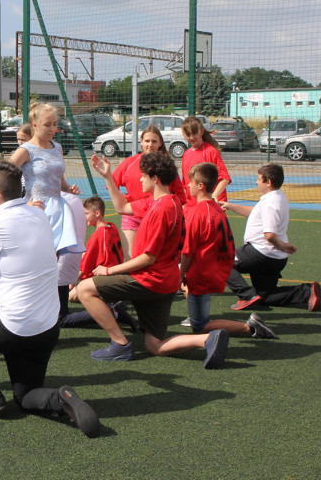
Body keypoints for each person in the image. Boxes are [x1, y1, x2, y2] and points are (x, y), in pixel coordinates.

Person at [0, 162, 100, 437]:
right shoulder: (38, 215)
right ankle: (60, 398)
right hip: (48, 328)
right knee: (26, 397)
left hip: (14, 328)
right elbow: (10, 217)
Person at [79, 152, 230, 368]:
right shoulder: (166, 201)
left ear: (155, 178)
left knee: (84, 289)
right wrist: (108, 177)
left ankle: (120, 344)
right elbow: (122, 207)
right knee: (154, 345)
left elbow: (148, 258)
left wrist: (110, 270)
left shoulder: (161, 209)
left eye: (143, 176)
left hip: (150, 280)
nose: (140, 179)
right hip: (165, 282)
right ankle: (207, 339)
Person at [181, 162, 277, 339]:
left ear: (200, 186)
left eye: (191, 182)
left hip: (201, 271)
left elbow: (188, 250)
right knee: (198, 316)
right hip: (214, 268)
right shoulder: (216, 208)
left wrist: (181, 273)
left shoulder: (198, 212)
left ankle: (249, 327)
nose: (187, 185)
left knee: (199, 326)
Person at [222, 163, 321, 312]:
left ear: (268, 182)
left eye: (259, 179)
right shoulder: (278, 196)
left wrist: (282, 246)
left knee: (221, 261)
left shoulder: (270, 203)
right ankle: (306, 292)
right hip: (274, 258)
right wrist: (230, 205)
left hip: (261, 253)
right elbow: (255, 212)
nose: (256, 182)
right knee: (265, 296)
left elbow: (269, 234)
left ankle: (246, 295)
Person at [9, 101, 81, 255]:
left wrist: (69, 188)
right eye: (47, 125)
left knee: (54, 257)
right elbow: (3, 177)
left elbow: (60, 181)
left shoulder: (57, 148)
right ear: (35, 125)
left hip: (58, 209)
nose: (53, 129)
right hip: (36, 208)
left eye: (55, 124)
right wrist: (21, 204)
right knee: (35, 255)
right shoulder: (26, 150)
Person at [112, 126, 186, 259]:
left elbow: (180, 196)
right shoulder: (130, 163)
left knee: (153, 256)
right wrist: (123, 198)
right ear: (141, 141)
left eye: (154, 141)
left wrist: (166, 207)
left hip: (157, 215)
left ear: (160, 143)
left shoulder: (166, 166)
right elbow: (112, 183)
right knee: (130, 258)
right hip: (132, 214)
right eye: (147, 141)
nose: (150, 145)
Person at [64, 196, 136, 331]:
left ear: (97, 213)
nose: (84, 217)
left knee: (72, 296)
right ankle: (113, 302)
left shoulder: (97, 236)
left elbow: (84, 268)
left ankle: (112, 309)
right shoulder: (112, 227)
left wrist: (71, 283)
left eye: (86, 213)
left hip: (104, 277)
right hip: (115, 273)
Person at [180, 117, 231, 217]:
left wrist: (214, 196)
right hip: (192, 207)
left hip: (210, 208)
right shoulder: (186, 154)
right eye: (188, 134)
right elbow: (185, 183)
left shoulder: (210, 152)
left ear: (201, 131)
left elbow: (225, 179)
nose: (191, 137)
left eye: (194, 133)